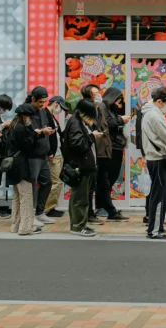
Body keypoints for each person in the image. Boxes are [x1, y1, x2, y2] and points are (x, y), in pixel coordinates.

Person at [141, 87, 166, 240]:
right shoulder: (155, 116)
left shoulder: (151, 113)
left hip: (156, 158)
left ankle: (157, 227)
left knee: (159, 194)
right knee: (159, 196)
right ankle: (155, 230)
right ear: (159, 102)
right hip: (158, 159)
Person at [62, 99, 101, 237]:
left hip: (85, 166)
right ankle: (77, 226)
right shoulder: (75, 123)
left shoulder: (79, 122)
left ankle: (80, 224)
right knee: (80, 199)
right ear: (85, 112)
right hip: (80, 166)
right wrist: (91, 136)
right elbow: (77, 144)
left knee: (82, 198)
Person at [6, 104, 43, 235]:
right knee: (26, 197)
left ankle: (16, 226)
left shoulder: (13, 126)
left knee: (17, 197)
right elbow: (27, 145)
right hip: (21, 166)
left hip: (13, 165)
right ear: (25, 116)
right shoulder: (21, 128)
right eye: (30, 117)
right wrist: (36, 134)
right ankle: (26, 227)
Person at [24, 86, 56, 226]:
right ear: (33, 99)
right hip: (32, 155)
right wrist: (41, 132)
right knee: (31, 185)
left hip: (43, 154)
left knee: (47, 182)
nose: (42, 105)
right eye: (40, 102)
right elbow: (28, 133)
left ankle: (39, 212)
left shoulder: (43, 111)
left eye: (44, 102)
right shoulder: (26, 112)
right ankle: (29, 215)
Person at [101, 87, 130, 222]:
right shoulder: (103, 108)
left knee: (110, 178)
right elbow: (107, 123)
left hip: (116, 146)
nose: (119, 103)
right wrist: (121, 120)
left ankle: (104, 206)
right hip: (110, 147)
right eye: (118, 99)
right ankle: (108, 208)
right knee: (107, 178)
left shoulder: (110, 109)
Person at [79, 84, 106, 226]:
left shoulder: (98, 109)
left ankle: (90, 212)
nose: (98, 95)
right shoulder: (82, 115)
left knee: (92, 185)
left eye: (98, 92)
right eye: (95, 94)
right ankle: (86, 216)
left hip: (95, 152)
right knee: (86, 188)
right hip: (86, 154)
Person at [42, 96, 68, 218]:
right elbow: (46, 136)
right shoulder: (45, 115)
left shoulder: (51, 116)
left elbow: (57, 135)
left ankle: (49, 207)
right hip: (53, 154)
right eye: (61, 107)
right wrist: (49, 152)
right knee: (56, 182)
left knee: (56, 181)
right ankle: (47, 208)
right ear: (56, 103)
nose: (60, 110)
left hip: (57, 153)